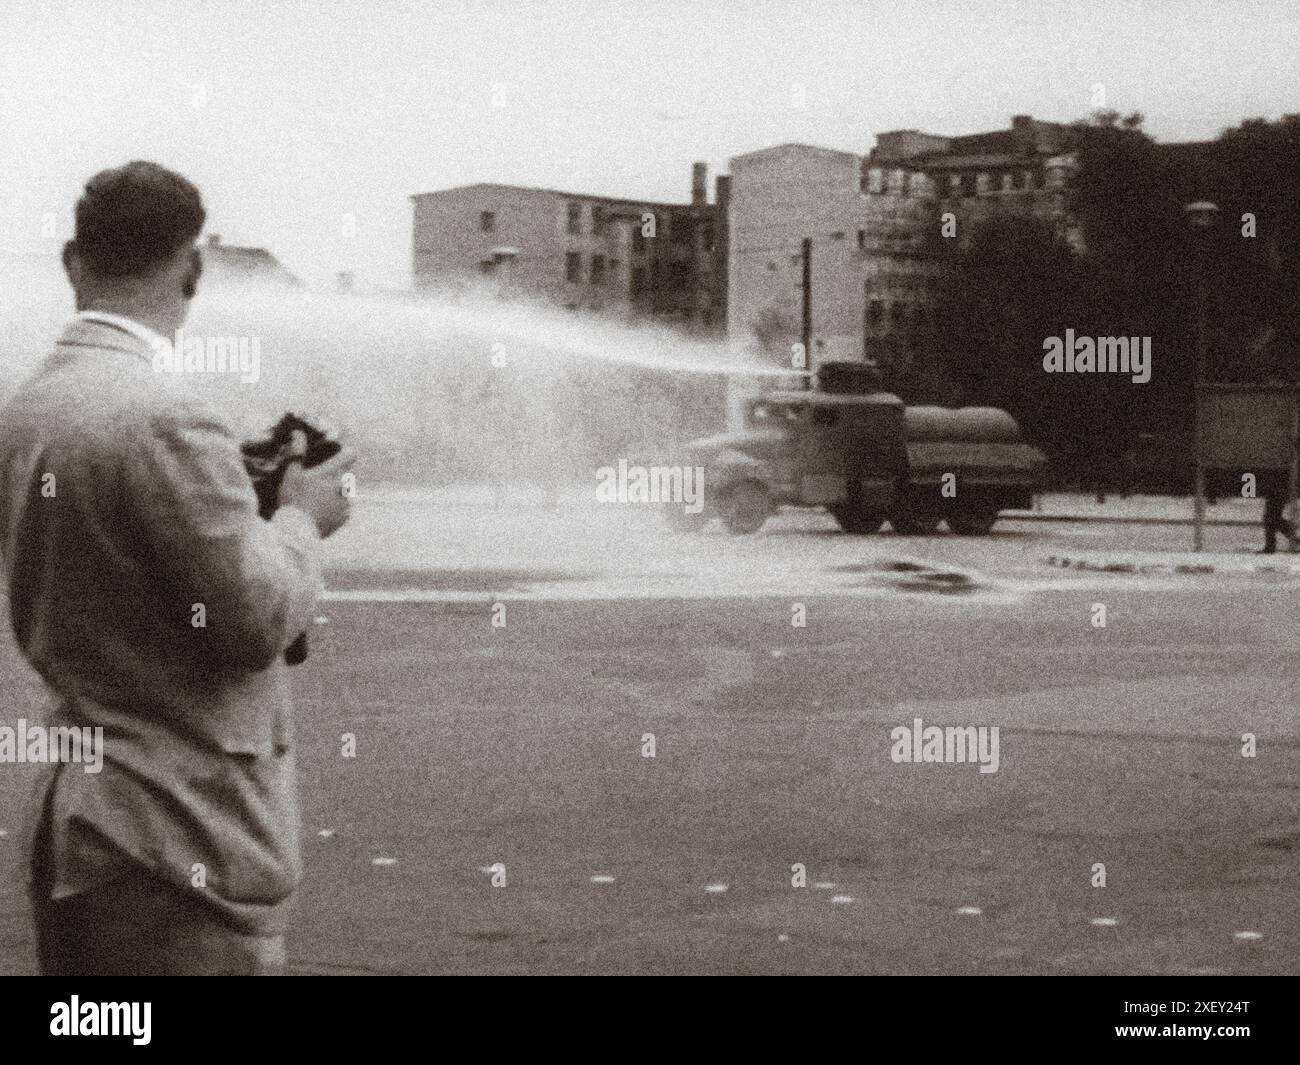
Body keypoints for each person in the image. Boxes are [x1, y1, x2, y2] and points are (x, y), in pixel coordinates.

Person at [0, 162, 356, 974]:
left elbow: (121, 561)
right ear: (193, 268)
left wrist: (236, 487)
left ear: (71, 261)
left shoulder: (28, 409)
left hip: (80, 828)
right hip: (176, 840)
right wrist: (302, 516)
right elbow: (257, 617)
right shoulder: (169, 417)